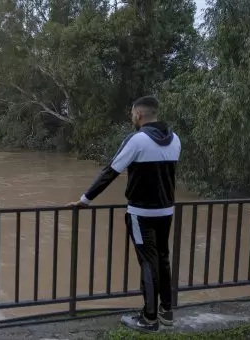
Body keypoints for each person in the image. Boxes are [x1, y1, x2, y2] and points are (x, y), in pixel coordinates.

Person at [67, 95, 181, 332]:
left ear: (139, 115)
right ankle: (166, 311)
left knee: (148, 262)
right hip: (167, 210)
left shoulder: (137, 140)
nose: (131, 117)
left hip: (141, 213)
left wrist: (85, 200)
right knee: (162, 258)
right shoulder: (175, 139)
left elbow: (110, 171)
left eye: (132, 113)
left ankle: (149, 319)